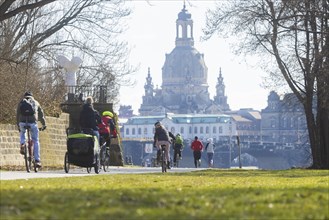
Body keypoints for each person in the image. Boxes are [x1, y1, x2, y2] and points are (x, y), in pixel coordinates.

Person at [16, 91, 46, 167]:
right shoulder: (36, 102)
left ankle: (23, 144)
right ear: (32, 96)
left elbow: (17, 115)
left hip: (22, 122)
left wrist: (18, 125)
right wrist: (44, 124)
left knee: (22, 133)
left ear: (25, 96)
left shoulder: (21, 102)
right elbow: (41, 115)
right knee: (35, 140)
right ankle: (37, 160)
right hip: (33, 123)